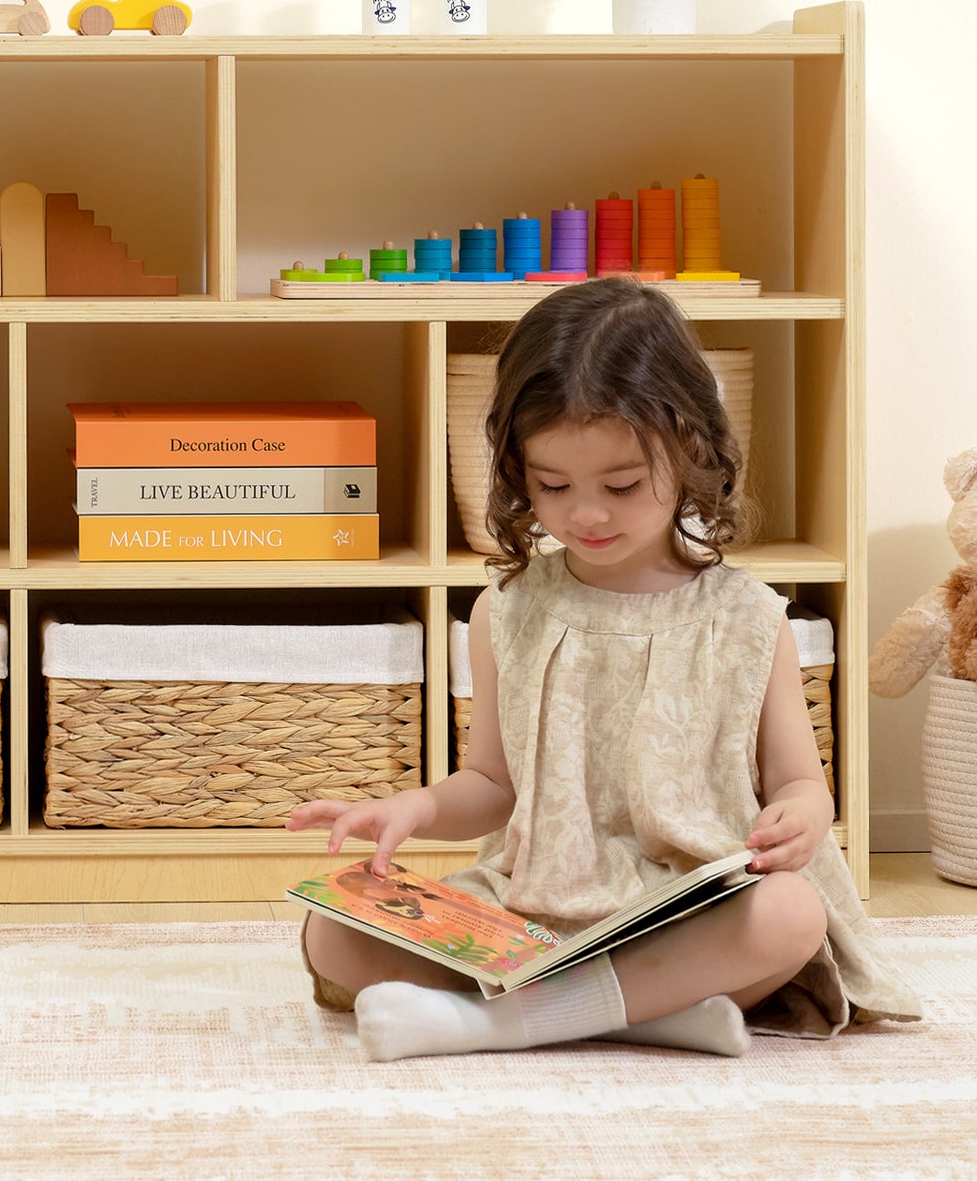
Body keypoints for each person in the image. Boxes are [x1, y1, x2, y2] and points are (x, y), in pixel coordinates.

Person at [289, 276, 923, 1061]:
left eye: (620, 486)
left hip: (689, 907)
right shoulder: (508, 612)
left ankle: (502, 1023)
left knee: (792, 915)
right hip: (533, 908)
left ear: (691, 450)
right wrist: (412, 810)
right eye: (553, 486)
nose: (586, 514)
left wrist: (798, 817)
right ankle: (652, 1013)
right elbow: (491, 786)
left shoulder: (747, 616)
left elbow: (801, 782)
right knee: (335, 930)